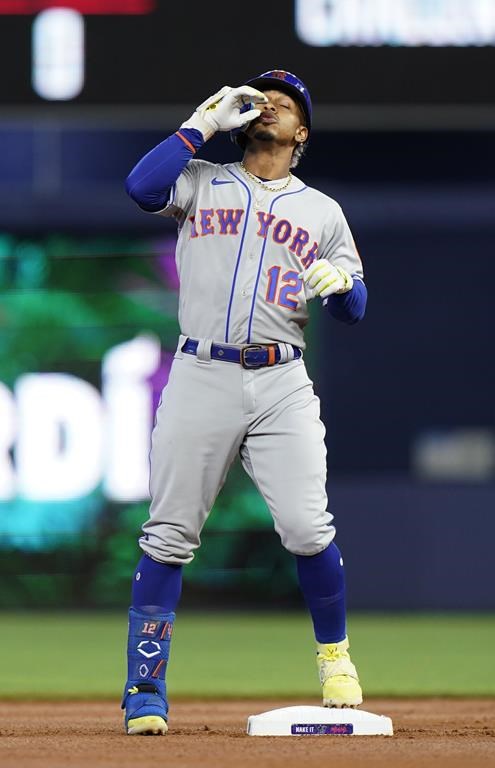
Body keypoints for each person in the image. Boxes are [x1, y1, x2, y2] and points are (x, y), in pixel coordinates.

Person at [122, 70, 367, 735]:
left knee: (308, 527)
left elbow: (354, 310)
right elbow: (141, 188)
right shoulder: (200, 177)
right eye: (260, 101)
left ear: (302, 133)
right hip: (202, 370)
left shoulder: (322, 211)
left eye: (284, 106)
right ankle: (145, 689)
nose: (269, 109)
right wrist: (201, 120)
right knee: (169, 532)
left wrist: (341, 283)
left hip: (282, 380)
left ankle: (336, 661)